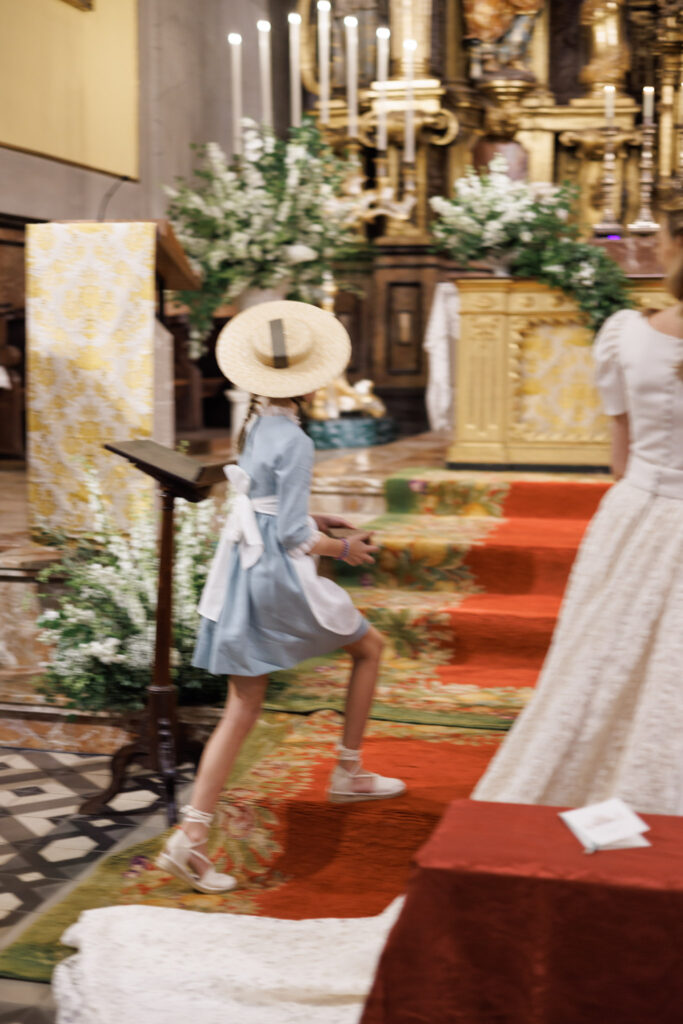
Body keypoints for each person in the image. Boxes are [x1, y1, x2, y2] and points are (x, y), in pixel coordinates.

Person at [157, 301, 405, 894]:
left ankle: (191, 837)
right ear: (313, 377)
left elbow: (266, 505)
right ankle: (348, 772)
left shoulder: (258, 424)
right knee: (369, 648)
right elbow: (293, 536)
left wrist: (313, 517)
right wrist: (344, 549)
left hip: (243, 574)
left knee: (243, 706)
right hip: (274, 575)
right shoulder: (294, 439)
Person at [473, 203, 683, 815]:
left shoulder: (626, 333)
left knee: (602, 658)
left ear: (673, 246)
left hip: (641, 515)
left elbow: (620, 456)